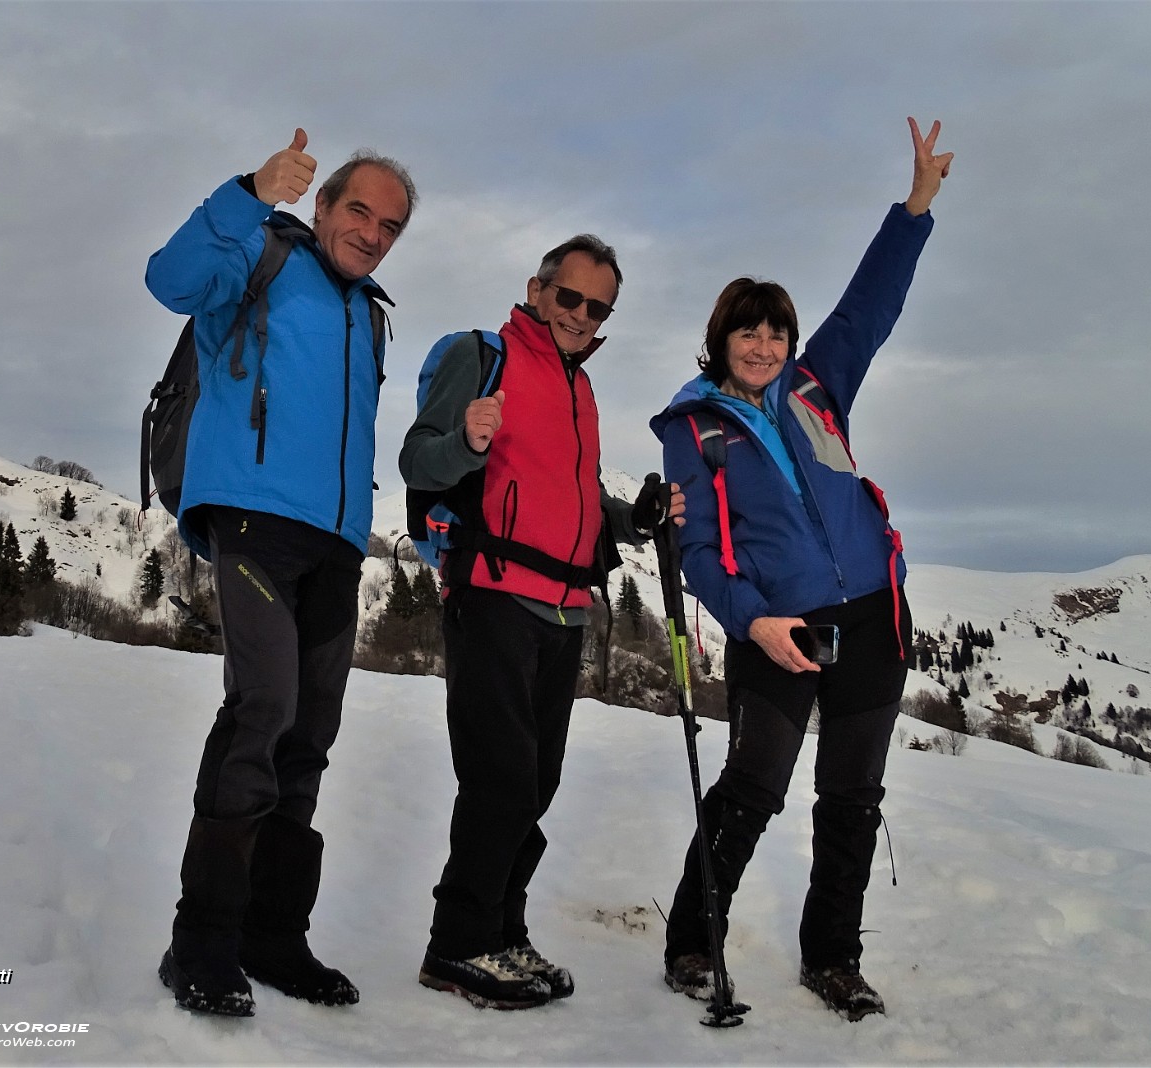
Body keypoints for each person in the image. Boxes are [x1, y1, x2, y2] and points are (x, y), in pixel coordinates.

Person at [649, 117, 953, 1021]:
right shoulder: (693, 431)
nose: (767, 345)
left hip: (870, 619)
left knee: (852, 797)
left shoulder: (819, 386)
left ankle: (833, 959)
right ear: (722, 338)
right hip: (778, 628)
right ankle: (692, 942)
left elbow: (869, 307)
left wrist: (914, 210)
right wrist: (754, 622)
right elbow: (698, 555)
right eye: (750, 332)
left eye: (776, 332)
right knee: (752, 789)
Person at [145, 129, 416, 1017]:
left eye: (390, 226)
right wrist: (247, 191)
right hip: (254, 521)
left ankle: (272, 935)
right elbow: (169, 279)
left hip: (337, 543)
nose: (373, 233)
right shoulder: (257, 255)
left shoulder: (367, 311)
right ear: (323, 205)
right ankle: (202, 942)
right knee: (262, 708)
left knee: (310, 732)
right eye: (360, 211)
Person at [399, 235, 684, 1010]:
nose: (582, 316)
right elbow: (418, 461)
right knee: (498, 781)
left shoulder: (577, 388)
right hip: (491, 593)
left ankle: (501, 931)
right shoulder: (483, 356)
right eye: (571, 298)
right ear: (538, 288)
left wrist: (636, 518)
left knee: (535, 783)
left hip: (564, 610)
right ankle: (456, 946)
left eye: (598, 309)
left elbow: (578, 499)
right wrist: (465, 440)